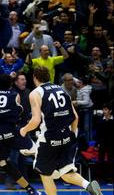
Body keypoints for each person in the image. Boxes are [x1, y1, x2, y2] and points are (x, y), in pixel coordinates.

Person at [20, 66, 103, 195]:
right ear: (49, 76)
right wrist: (73, 134)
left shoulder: (35, 93)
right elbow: (75, 117)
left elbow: (35, 121)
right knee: (67, 173)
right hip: (67, 137)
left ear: (35, 78)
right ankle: (88, 185)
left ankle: (50, 169)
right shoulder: (61, 90)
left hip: (49, 138)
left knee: (44, 173)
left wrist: (24, 130)